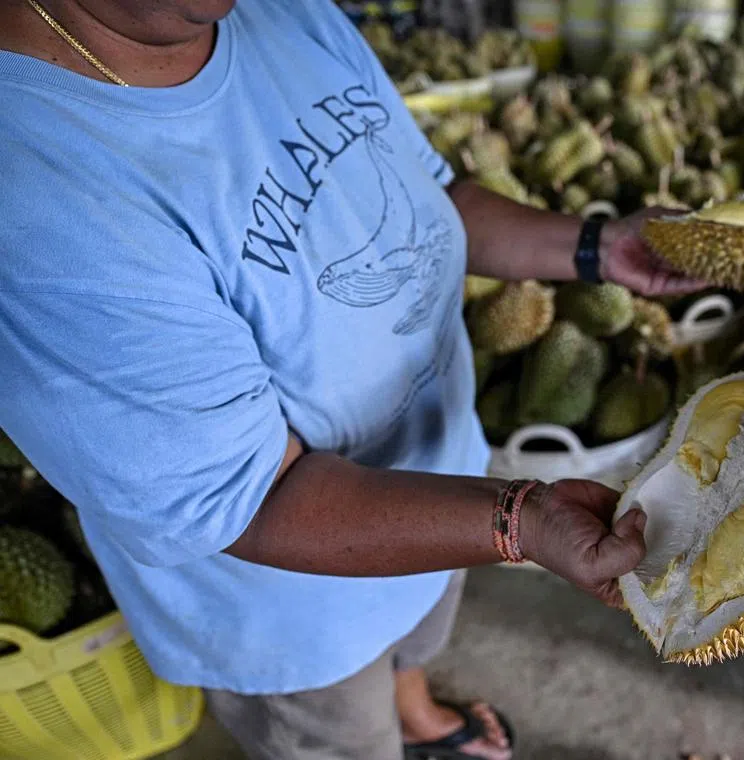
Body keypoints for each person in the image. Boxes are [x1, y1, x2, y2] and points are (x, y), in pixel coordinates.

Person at [0, 1, 706, 758]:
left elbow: (433, 198)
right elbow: (255, 498)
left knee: (416, 634)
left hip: (446, 482)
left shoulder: (282, 13)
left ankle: (414, 704)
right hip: (294, 612)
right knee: (342, 733)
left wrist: (599, 247)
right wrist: (519, 523)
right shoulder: (39, 198)